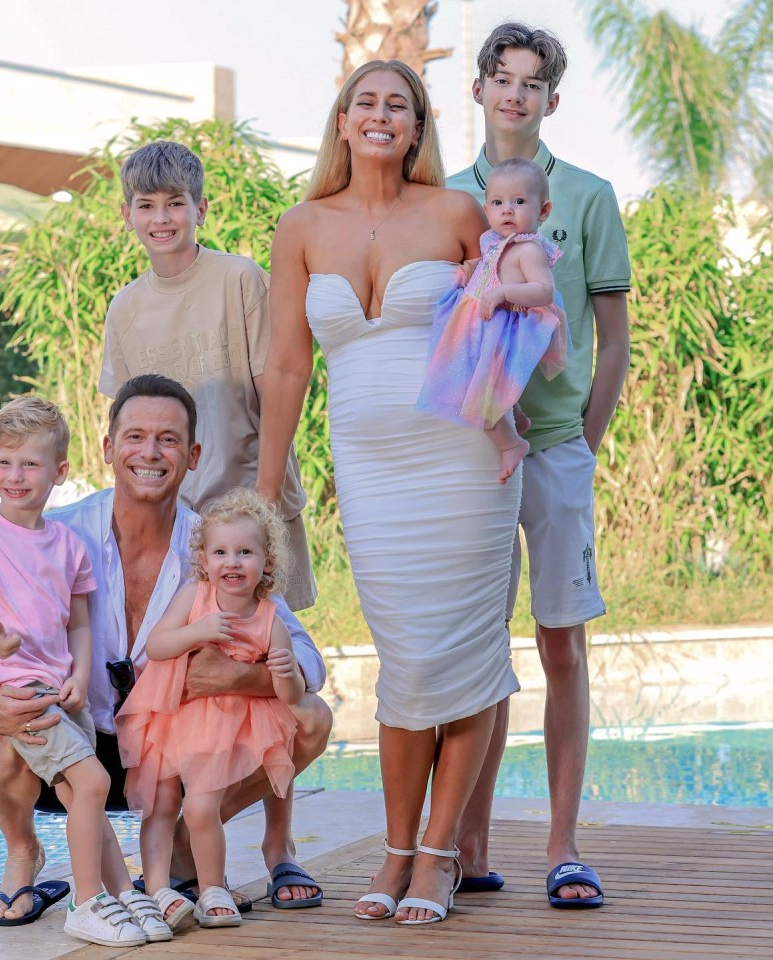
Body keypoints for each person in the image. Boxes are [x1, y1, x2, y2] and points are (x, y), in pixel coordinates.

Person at [257, 60, 521, 926]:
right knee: (406, 664)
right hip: (370, 476)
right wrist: (269, 484)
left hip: (463, 469)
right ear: (341, 121)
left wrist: (506, 428)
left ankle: (435, 856)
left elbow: (510, 323)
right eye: (365, 102)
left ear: (417, 126)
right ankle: (397, 845)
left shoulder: (454, 212)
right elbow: (289, 362)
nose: (380, 116)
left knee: (467, 659)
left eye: (397, 105)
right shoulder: (299, 226)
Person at [0, 376, 331, 933]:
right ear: (109, 449)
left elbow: (308, 660)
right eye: (135, 436)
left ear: (193, 456)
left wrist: (233, 676)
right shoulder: (56, 536)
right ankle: (24, 852)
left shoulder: (217, 548)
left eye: (168, 439)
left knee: (311, 720)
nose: (151, 453)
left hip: (174, 749)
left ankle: (190, 836)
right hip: (79, 742)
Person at [447, 22, 631, 908]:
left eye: (532, 83)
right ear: (478, 89)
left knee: (561, 643)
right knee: (479, 648)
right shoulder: (445, 200)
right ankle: (470, 844)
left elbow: (615, 336)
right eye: (501, 78)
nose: (515, 94)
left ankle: (562, 844)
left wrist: (584, 441)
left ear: (552, 99)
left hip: (556, 451)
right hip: (473, 455)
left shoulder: (588, 196)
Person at [0, 398, 152, 946]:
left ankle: (124, 895)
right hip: (18, 691)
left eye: (29, 464)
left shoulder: (67, 545)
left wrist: (80, 674)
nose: (14, 476)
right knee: (94, 782)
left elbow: (79, 623)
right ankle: (87, 901)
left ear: (59, 472)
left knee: (87, 797)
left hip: (60, 692)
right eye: (3, 462)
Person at [98, 140, 316, 613]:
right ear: (126, 214)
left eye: (176, 204)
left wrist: (266, 497)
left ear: (201, 209)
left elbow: (279, 387)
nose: (162, 218)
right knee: (187, 661)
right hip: (175, 525)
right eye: (147, 206)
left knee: (267, 655)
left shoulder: (239, 279)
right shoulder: (125, 309)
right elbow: (129, 427)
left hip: (252, 511)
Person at [116, 487, 306, 930]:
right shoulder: (194, 596)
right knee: (160, 804)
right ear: (204, 559)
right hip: (171, 715)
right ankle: (158, 889)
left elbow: (291, 695)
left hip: (224, 727)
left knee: (201, 809)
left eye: (245, 552)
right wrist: (197, 631)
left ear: (268, 562)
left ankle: (211, 887)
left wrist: (287, 669)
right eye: (220, 551)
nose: (232, 562)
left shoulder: (269, 617)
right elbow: (157, 646)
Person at [418, 157, 568, 483]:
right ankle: (516, 414)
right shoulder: (493, 242)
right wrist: (469, 275)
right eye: (498, 202)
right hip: (478, 324)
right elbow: (488, 272)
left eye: (519, 202)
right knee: (480, 385)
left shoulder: (529, 250)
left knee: (478, 400)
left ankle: (511, 443)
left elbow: (543, 291)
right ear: (487, 209)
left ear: (543, 211)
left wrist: (506, 292)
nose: (507, 210)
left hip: (500, 331)